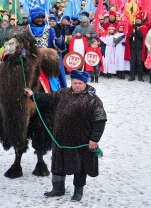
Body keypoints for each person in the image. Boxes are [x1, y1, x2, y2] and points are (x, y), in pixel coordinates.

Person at [24, 70, 107, 202]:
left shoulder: (93, 100)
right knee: (58, 165)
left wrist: (94, 139)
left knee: (80, 167)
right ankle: (58, 188)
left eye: (80, 83)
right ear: (71, 82)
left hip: (81, 141)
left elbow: (99, 121)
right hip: (60, 140)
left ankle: (78, 191)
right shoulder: (63, 94)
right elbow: (47, 98)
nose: (77, 86)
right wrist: (33, 95)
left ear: (85, 83)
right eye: (75, 83)